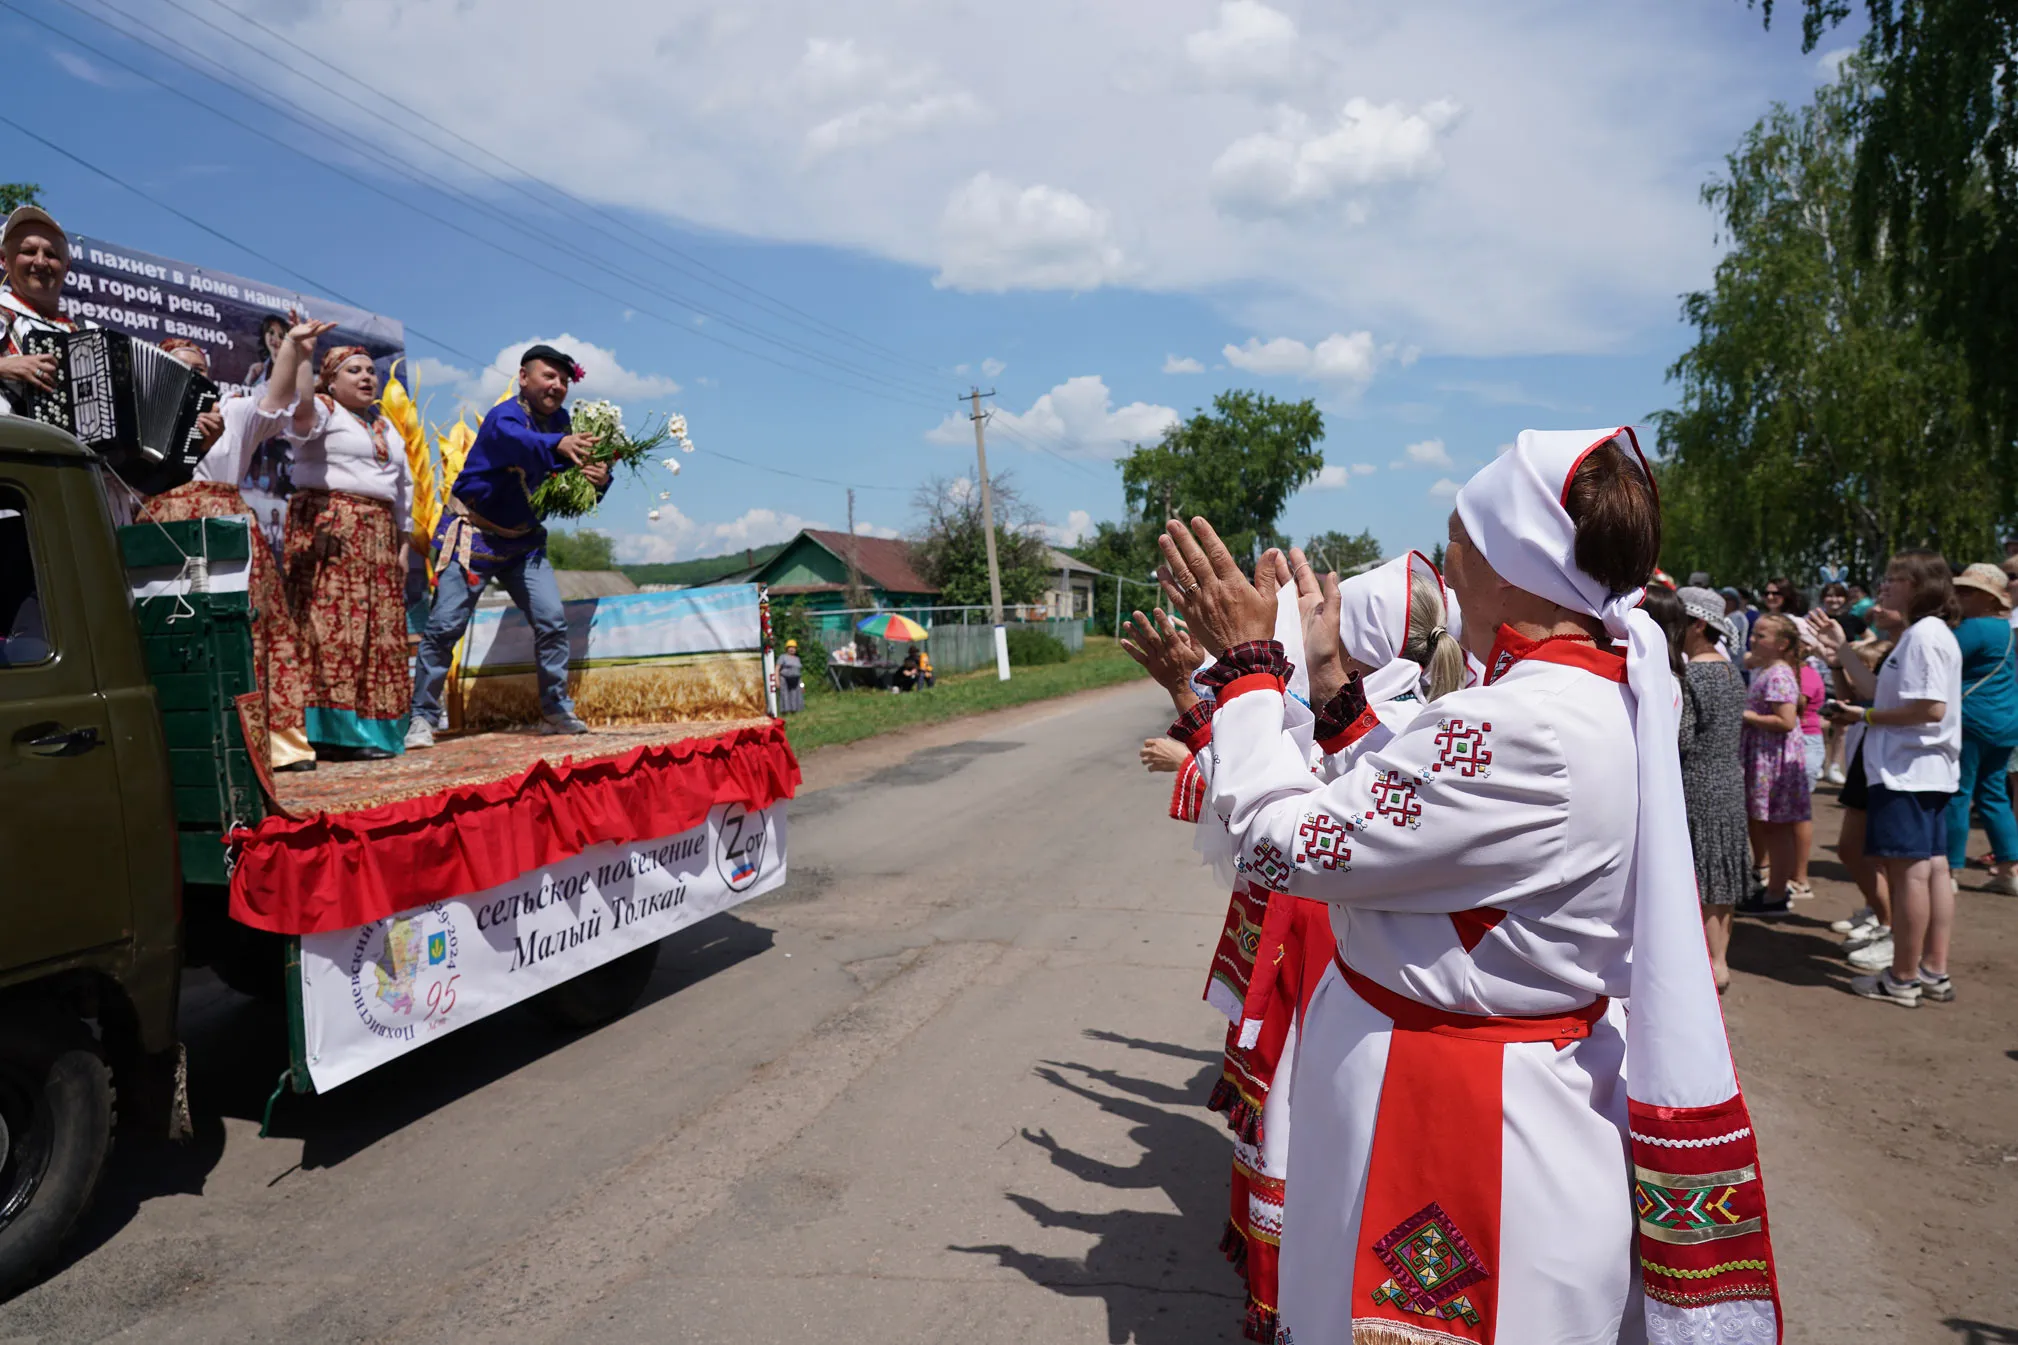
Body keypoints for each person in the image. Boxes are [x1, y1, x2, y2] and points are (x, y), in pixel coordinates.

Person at [1158, 428, 1781, 1343]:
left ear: (1510, 562)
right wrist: (1335, 696)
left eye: (1458, 537)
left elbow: (1282, 842)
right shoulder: (1581, 691)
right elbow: (1435, 826)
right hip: (1484, 1092)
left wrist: (1251, 673)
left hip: (1458, 1123)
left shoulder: (1522, 723)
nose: (1446, 560)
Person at [139, 323, 328, 772]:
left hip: (228, 525)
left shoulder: (234, 412)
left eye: (202, 370)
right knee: (180, 630)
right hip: (164, 527)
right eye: (182, 370)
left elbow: (279, 398)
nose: (195, 377)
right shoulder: (141, 417)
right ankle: (192, 738)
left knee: (253, 626)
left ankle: (277, 741)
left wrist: (295, 349)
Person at [407, 345, 604, 747]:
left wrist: (598, 479)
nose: (557, 386)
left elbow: (571, 485)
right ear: (524, 377)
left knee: (552, 621)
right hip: (472, 535)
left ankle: (554, 709)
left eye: (564, 380)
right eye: (549, 376)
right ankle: (422, 718)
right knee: (445, 627)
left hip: (524, 544)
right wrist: (559, 446)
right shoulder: (505, 417)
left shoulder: (562, 423)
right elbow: (516, 441)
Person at [1812, 550, 1962, 1007]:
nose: (1885, 586)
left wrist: (1866, 715)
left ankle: (1902, 977)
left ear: (1921, 586)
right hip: (1919, 771)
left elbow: (1928, 708)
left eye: (1896, 579)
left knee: (1911, 876)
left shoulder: (1923, 636)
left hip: (1908, 772)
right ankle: (1931, 970)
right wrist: (1841, 653)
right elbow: (1884, 690)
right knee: (1932, 870)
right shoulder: (1923, 635)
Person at [282, 344, 413, 760]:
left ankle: (375, 731)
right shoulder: (322, 409)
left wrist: (403, 544)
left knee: (379, 633)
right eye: (353, 370)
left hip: (378, 532)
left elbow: (403, 487)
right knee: (331, 630)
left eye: (371, 371)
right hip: (329, 526)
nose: (366, 377)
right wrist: (302, 357)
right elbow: (299, 409)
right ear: (331, 380)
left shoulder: (385, 425)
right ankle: (332, 733)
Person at [1670, 586, 1750, 992]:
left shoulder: (1693, 675)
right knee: (1721, 871)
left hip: (1697, 781)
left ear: (1699, 624)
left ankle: (1706, 963)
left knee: (1700, 873)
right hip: (1728, 780)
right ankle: (1719, 959)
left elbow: (1681, 739)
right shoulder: (1729, 670)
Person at [1943, 563, 2018, 895]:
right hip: (2004, 722)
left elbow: (1939, 658)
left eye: (1968, 591)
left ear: (1989, 599)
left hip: (1971, 720)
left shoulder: (1975, 628)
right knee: (1993, 796)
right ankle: (2010, 870)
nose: (1960, 596)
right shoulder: (2005, 630)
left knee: (1958, 793)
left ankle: (1949, 869)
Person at [1739, 614, 1812, 914]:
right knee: (1772, 826)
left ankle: (1777, 892)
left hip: (1774, 759)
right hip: (1767, 755)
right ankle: (1775, 889)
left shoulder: (1778, 674)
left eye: (1761, 636)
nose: (1753, 640)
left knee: (1777, 827)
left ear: (1782, 644)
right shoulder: (1770, 669)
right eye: (1754, 634)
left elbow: (1785, 720)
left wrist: (1742, 714)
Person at [0, 205, 97, 416]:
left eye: (51, 254)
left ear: (66, 266)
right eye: (28, 251)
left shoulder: (89, 331)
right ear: (3, 260)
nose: (41, 262)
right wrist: (4, 366)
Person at [242, 313, 289, 388]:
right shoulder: (259, 369)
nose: (275, 339)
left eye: (281, 336)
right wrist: (250, 377)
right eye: (271, 333)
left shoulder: (291, 370)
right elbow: (243, 395)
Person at [775, 639, 804, 714]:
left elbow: (799, 674)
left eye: (794, 647)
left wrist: (802, 685)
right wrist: (777, 681)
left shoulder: (797, 659)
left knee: (795, 695)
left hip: (796, 680)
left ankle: (793, 711)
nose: (792, 649)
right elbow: (777, 668)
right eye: (790, 647)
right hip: (784, 679)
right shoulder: (783, 657)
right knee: (785, 695)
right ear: (786, 648)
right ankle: (785, 712)